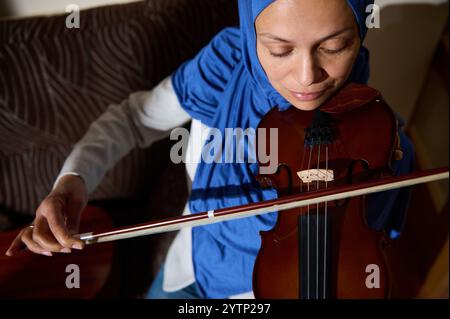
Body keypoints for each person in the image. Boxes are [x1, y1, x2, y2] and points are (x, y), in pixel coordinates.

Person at [6, 0, 414, 299]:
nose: (307, 77)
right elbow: (135, 119)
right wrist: (72, 182)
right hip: (192, 266)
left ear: (360, 32)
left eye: (334, 46)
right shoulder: (230, 59)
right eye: (278, 50)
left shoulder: (381, 143)